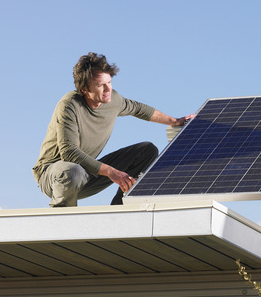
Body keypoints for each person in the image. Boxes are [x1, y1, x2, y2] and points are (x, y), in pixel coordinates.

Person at [32, 52, 193, 207]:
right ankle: (62, 223)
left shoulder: (113, 100)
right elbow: (69, 152)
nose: (108, 89)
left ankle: (120, 211)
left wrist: (174, 121)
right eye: (100, 85)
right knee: (72, 171)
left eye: (109, 82)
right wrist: (112, 172)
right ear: (84, 90)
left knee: (147, 150)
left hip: (86, 173)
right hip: (53, 175)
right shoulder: (69, 105)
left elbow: (138, 109)